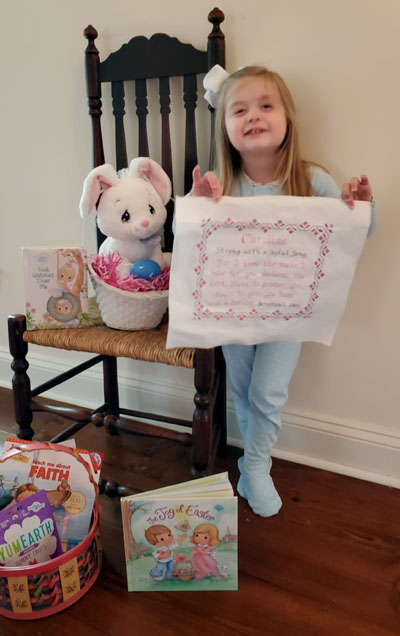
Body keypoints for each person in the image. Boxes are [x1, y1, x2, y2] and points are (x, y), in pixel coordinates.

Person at [190, 65, 377, 518]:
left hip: (289, 314)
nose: (253, 116)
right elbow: (198, 245)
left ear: (288, 118)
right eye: (239, 109)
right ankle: (255, 465)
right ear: (226, 127)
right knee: (241, 388)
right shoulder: (222, 183)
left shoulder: (311, 180)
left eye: (266, 105)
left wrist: (362, 205)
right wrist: (198, 203)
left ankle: (255, 464)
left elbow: (360, 232)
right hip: (234, 312)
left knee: (268, 392)